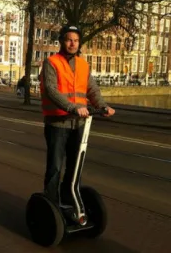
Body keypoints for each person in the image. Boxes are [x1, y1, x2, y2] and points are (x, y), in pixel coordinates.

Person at [39, 25, 115, 206]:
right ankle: (50, 206)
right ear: (62, 41)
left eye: (76, 40)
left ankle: (69, 201)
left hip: (79, 124)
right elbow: (51, 90)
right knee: (55, 168)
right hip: (57, 123)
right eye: (68, 40)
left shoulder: (83, 64)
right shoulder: (52, 63)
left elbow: (92, 89)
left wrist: (103, 106)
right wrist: (72, 107)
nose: (72, 43)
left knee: (75, 168)